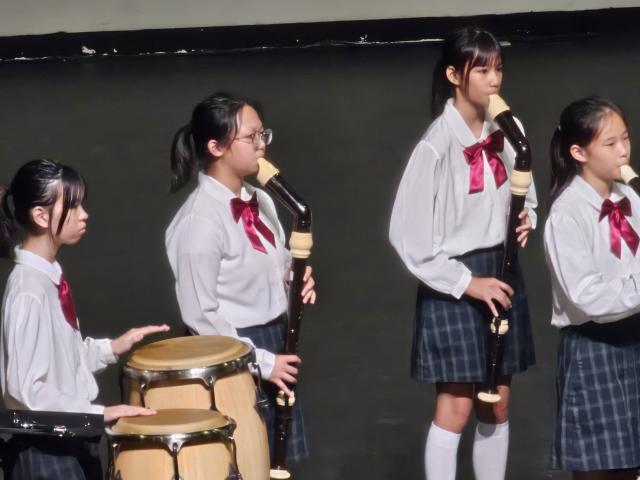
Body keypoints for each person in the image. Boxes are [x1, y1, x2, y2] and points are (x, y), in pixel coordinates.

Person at [389, 27, 537, 480]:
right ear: (454, 75)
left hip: (502, 268)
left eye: (499, 69)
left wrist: (527, 216)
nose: (495, 80)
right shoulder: (434, 147)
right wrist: (467, 283)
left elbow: (525, 192)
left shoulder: (510, 129)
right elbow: (408, 237)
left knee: (497, 401)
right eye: (482, 70)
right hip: (454, 278)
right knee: (456, 406)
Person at [165, 92, 316, 461]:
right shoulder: (199, 222)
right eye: (251, 137)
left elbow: (275, 261)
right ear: (216, 147)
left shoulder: (262, 200)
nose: (262, 145)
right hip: (231, 354)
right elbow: (202, 317)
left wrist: (294, 275)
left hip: (273, 340)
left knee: (279, 462)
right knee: (244, 463)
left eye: (263, 134)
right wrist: (261, 361)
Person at [0, 158, 168, 479]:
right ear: (41, 215)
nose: (84, 214)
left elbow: (60, 365)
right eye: (73, 205)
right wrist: (97, 414)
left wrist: (112, 348)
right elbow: (27, 392)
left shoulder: (47, 278)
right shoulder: (27, 290)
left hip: (70, 442)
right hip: (46, 453)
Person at [544, 96, 640, 480]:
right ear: (578, 152)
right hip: (595, 348)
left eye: (626, 138)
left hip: (635, 338)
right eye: (610, 143)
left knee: (630, 466)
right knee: (597, 469)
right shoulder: (566, 214)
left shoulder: (630, 197)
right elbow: (587, 295)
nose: (623, 151)